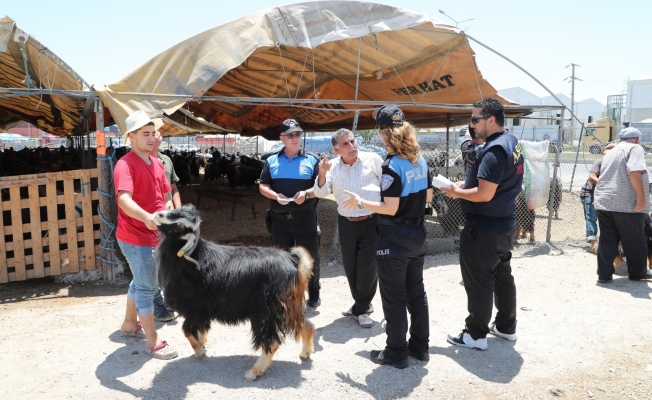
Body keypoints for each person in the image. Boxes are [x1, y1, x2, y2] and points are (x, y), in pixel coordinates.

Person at [342, 104, 433, 369]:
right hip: (418, 233)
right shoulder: (420, 159)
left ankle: (395, 352)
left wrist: (361, 201)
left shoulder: (392, 165)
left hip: (395, 237)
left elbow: (389, 208)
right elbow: (427, 197)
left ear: (384, 133)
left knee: (393, 296)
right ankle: (420, 347)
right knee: (416, 293)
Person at [441, 97, 523, 351]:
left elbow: (485, 193)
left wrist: (456, 192)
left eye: (475, 119)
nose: (472, 124)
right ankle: (506, 327)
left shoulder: (494, 150)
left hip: (485, 227)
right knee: (501, 276)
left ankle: (476, 334)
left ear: (490, 120)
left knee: (478, 280)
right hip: (504, 222)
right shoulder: (511, 141)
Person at [115, 110, 177, 360]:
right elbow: (123, 199)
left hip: (153, 233)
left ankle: (130, 324)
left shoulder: (157, 163)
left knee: (141, 280)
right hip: (135, 235)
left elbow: (165, 194)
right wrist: (147, 217)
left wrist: (168, 210)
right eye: (145, 134)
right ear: (131, 137)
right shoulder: (125, 164)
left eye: (153, 133)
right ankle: (153, 340)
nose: (151, 138)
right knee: (147, 286)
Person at [312, 128, 383, 328]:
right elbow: (320, 191)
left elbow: (387, 188)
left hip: (372, 221)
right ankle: (362, 305)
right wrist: (322, 172)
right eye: (345, 144)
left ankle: (361, 308)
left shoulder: (373, 159)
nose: (352, 146)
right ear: (336, 149)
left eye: (352, 141)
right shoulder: (332, 167)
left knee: (368, 267)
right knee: (351, 267)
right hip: (347, 223)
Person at [259, 119, 322, 307]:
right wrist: (274, 195)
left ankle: (314, 293)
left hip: (305, 218)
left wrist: (307, 193)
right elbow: (263, 186)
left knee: (310, 258)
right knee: (281, 259)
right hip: (279, 221)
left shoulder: (313, 159)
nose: (296, 138)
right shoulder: (271, 160)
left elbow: (321, 187)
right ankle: (284, 294)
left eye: (298, 134)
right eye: (291, 135)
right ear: (282, 138)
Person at [593, 127, 652, 283]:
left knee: (607, 240)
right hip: (626, 204)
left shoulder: (611, 152)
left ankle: (604, 275)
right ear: (637, 139)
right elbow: (634, 171)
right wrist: (641, 197)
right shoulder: (635, 148)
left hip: (604, 202)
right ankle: (638, 273)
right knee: (635, 240)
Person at [580, 143, 615, 254]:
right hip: (590, 194)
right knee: (591, 217)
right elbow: (591, 177)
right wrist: (604, 184)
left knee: (606, 220)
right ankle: (593, 245)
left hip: (604, 195)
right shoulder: (599, 162)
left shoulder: (615, 166)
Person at [150, 130, 182, 209]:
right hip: (150, 215)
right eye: (147, 134)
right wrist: (154, 147)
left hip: (168, 211)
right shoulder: (139, 161)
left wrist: (179, 211)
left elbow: (173, 187)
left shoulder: (166, 160)